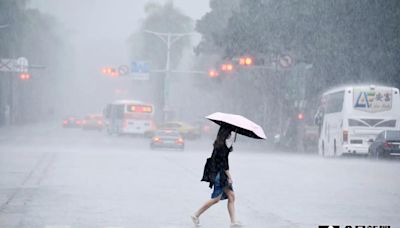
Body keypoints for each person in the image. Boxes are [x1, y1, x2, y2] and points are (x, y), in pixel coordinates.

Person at [191, 127, 242, 227]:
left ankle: (233, 222)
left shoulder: (220, 144)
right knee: (216, 199)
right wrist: (229, 177)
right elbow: (224, 163)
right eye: (230, 133)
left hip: (218, 173)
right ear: (226, 134)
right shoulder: (223, 146)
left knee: (231, 196)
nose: (231, 135)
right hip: (220, 174)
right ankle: (196, 214)